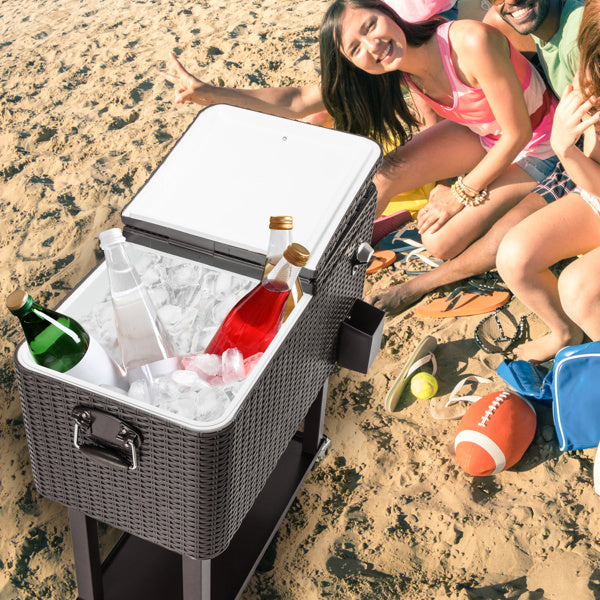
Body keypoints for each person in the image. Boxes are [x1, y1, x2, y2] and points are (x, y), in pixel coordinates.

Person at [163, 0, 557, 274]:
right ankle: (337, 259)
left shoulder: (468, 41)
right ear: (353, 63)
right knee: (380, 179)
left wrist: (460, 193)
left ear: (387, 13)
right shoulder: (395, 68)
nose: (373, 45)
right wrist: (209, 93)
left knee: (439, 242)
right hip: (481, 133)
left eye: (370, 25)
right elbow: (298, 100)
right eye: (356, 48)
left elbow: (518, 132)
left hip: (537, 141)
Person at [367, 0, 584, 314]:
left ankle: (424, 283)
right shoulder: (498, 20)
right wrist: (444, 183)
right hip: (499, 134)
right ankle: (346, 254)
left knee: (458, 241)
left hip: (547, 143)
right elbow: (435, 116)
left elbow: (521, 133)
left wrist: (461, 192)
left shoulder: (480, 36)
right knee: (408, 200)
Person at [496, 0, 600, 363]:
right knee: (514, 256)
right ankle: (566, 333)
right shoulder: (590, 69)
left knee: (579, 289)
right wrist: (566, 150)